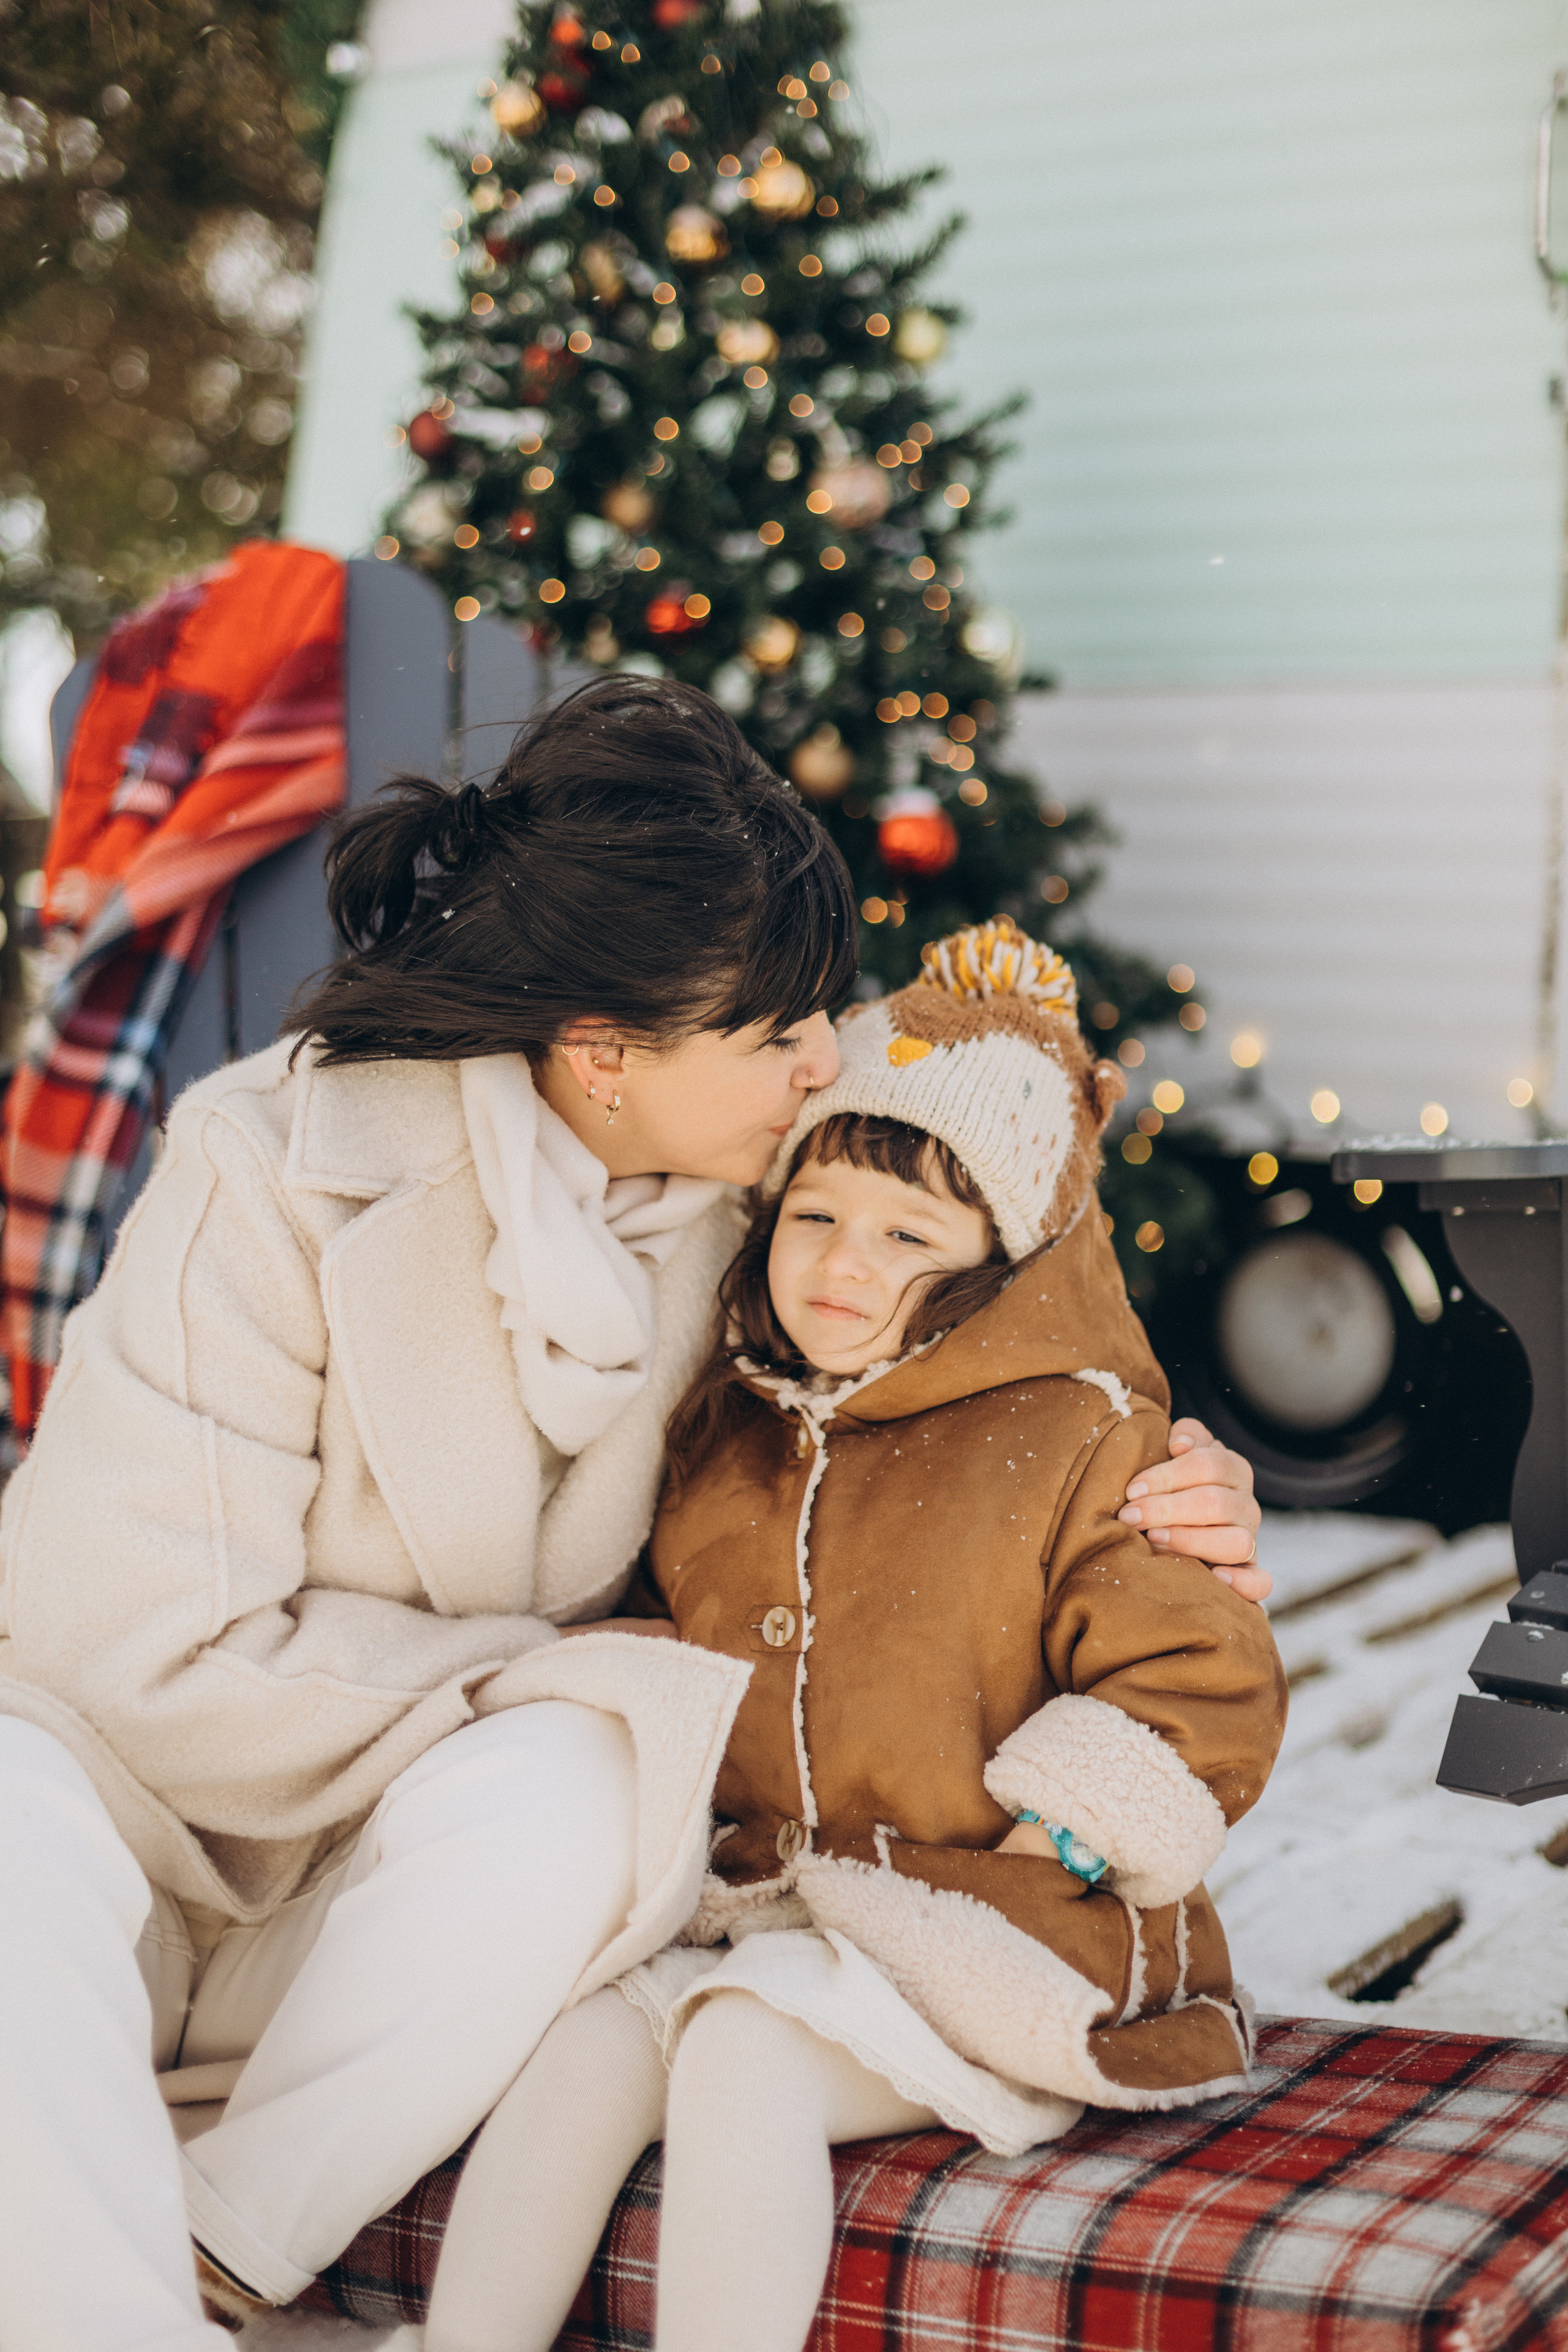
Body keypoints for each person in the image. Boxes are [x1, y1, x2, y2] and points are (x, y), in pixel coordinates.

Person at [0, 682, 1262, 2349]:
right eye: (783, 1030)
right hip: (136, 1827)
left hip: (392, 1897)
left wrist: (1163, 1461)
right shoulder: (269, 1167)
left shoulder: (754, 1200)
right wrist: (530, 1675)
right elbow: (124, 1644)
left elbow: (995, 1281)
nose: (831, 1056)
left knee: (598, 1765)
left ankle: (237, 2244)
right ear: (600, 1058)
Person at [423, 918, 1286, 2352]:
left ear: (992, 1263)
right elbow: (663, 1631)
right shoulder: (729, 1430)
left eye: (906, 1236)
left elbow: (1197, 1679)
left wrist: (1058, 1842)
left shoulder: (1080, 1436)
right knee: (588, 2047)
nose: (839, 1264)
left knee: (744, 2056)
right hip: (777, 1907)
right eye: (815, 1214)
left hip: (1004, 1929)